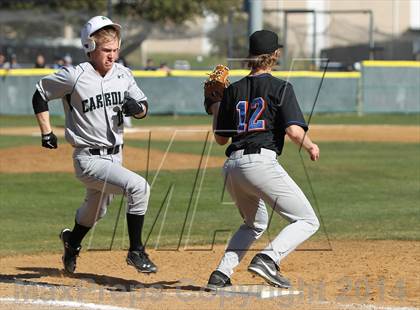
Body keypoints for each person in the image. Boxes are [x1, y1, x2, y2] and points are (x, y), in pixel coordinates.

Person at [32, 15, 157, 274]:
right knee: (139, 187)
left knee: (95, 211)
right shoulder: (74, 76)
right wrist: (46, 132)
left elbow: (144, 106)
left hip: (115, 157)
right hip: (88, 158)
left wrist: (139, 109)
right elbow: (40, 93)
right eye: (106, 50)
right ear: (90, 47)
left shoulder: (123, 74)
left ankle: (72, 241)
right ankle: (136, 251)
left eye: (115, 50)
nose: (112, 56)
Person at [206, 30, 320, 289]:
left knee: (254, 223)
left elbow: (221, 139)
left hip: (232, 167)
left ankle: (220, 274)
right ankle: (268, 259)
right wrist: (311, 146)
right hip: (260, 164)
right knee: (306, 220)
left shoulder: (232, 90)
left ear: (249, 56)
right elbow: (293, 131)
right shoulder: (281, 87)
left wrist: (215, 107)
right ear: (276, 55)